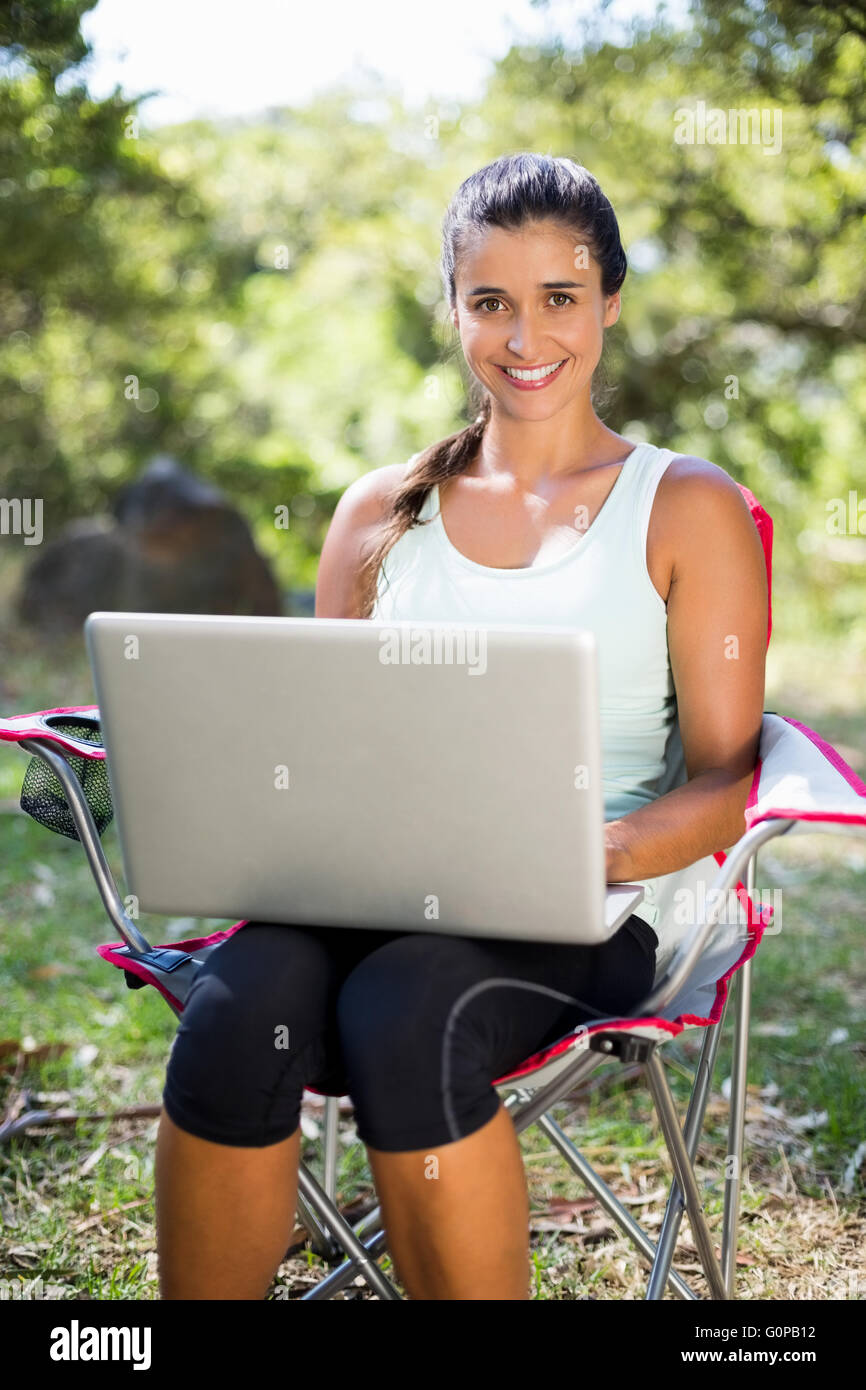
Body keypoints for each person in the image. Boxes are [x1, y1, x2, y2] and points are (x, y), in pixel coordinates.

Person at [154, 152, 767, 1301]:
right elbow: (320, 745)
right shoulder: (381, 514)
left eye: (558, 299)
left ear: (609, 304)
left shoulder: (685, 505)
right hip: (377, 887)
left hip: (593, 904)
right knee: (237, 1012)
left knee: (408, 1006)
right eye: (490, 301)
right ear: (453, 310)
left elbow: (731, 781)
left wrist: (585, 850)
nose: (524, 336)